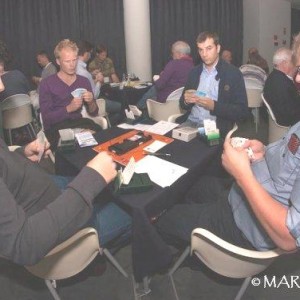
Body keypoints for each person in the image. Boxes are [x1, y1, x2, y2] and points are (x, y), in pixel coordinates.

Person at [0, 135, 131, 265]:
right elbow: (23, 246)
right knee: (134, 210)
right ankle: (95, 256)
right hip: (57, 225)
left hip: (46, 191)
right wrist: (92, 178)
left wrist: (21, 155)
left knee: (109, 189)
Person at [179, 31, 249, 137]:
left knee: (204, 151)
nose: (204, 54)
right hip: (190, 123)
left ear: (218, 48)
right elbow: (182, 104)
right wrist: (186, 100)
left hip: (214, 128)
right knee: (172, 146)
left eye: (209, 48)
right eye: (201, 50)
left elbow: (242, 112)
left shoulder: (233, 74)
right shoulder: (194, 72)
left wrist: (214, 106)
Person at [39, 39, 102, 148]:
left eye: (74, 60)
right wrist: (68, 108)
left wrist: (91, 101)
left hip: (79, 123)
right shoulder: (47, 83)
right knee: (76, 147)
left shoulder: (83, 81)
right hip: (56, 128)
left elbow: (94, 112)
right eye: (67, 61)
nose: (72, 65)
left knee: (101, 139)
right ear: (58, 62)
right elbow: (47, 119)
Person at [137, 41, 194, 109]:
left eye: (173, 53)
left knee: (154, 89)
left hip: (165, 102)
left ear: (179, 54)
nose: (172, 56)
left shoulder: (174, 64)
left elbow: (159, 85)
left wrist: (161, 76)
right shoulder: (193, 66)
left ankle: (136, 110)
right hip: (180, 102)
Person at [76, 40, 121, 125]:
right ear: (86, 53)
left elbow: (87, 85)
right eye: (90, 53)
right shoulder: (85, 71)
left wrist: (93, 76)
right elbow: (94, 95)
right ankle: (105, 125)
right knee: (121, 107)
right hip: (93, 103)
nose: (89, 56)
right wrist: (99, 81)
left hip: (85, 105)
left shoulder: (76, 68)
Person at [263, 47, 299, 126]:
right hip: (289, 124)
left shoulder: (274, 77)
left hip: (281, 120)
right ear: (284, 63)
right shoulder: (282, 83)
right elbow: (289, 113)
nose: (296, 65)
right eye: (293, 62)